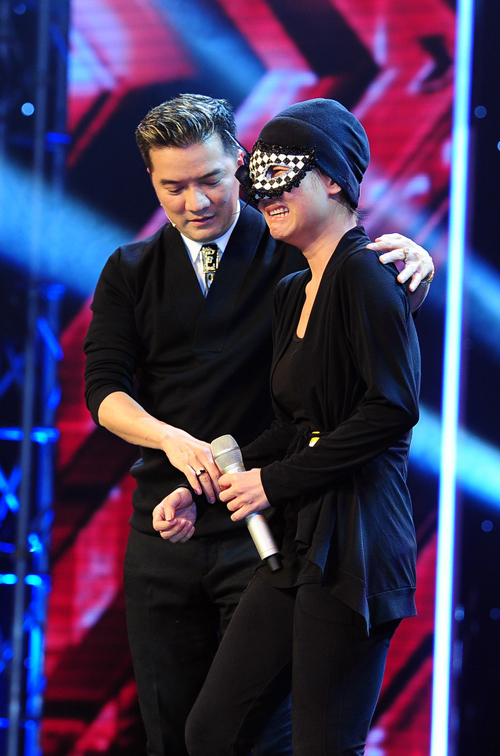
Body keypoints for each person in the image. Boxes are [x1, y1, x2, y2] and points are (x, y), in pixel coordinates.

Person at [84, 93, 433, 756]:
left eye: (212, 179)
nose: (195, 202)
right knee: (189, 731)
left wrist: (414, 269)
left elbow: (383, 395)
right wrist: (182, 456)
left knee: (286, 739)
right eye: (173, 187)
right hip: (188, 513)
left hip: (292, 523)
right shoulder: (139, 270)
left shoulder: (299, 253)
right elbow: (103, 387)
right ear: (151, 182)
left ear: (240, 164)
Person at [183, 98, 421, 756]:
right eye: (258, 180)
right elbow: (294, 427)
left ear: (335, 180)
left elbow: (391, 409)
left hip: (355, 541)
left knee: (323, 744)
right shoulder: (294, 290)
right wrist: (203, 486)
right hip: (298, 537)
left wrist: (273, 483)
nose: (266, 194)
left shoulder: (368, 273)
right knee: (212, 730)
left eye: (282, 175)